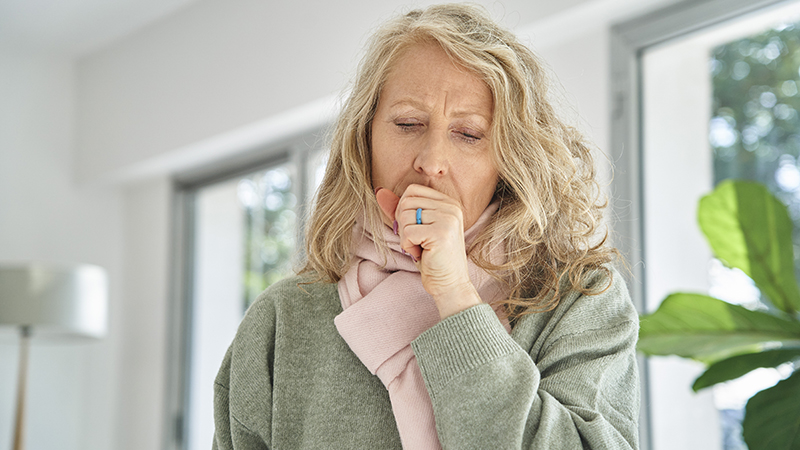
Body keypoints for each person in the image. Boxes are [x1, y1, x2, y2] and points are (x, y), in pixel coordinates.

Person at [212, 4, 639, 450]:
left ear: (509, 161)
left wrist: (455, 295)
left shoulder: (579, 298)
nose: (431, 162)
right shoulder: (283, 320)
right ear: (365, 139)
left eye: (469, 134)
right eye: (408, 124)